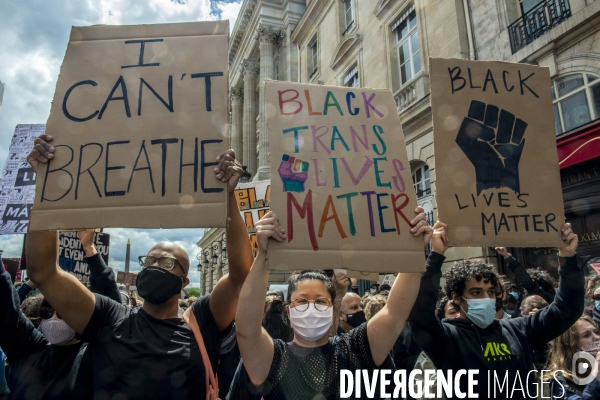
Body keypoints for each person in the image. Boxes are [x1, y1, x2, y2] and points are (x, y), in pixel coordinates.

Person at [26, 136, 253, 399]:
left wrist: (228, 197)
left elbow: (240, 276)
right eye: (150, 260)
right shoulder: (109, 318)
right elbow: (43, 272)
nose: (155, 266)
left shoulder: (202, 322)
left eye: (167, 263)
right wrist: (45, 187)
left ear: (184, 282)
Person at [234, 208, 431, 399]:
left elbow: (395, 312)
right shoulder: (274, 359)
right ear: (288, 310)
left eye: (320, 301)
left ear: (333, 308)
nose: (311, 307)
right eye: (302, 301)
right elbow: (246, 329)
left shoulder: (355, 348)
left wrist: (414, 252)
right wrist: (262, 257)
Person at [408, 221, 583, 398]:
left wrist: (567, 257)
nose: (486, 298)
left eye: (491, 291)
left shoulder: (519, 329)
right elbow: (419, 315)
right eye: (476, 292)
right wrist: (436, 255)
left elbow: (567, 309)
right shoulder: (447, 339)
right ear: (456, 297)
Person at [0, 229, 121, 399]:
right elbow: (4, 302)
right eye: (47, 311)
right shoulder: (28, 350)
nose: (55, 318)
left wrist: (89, 248)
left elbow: (111, 310)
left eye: (64, 312)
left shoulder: (96, 358)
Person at [545, 315, 600, 399]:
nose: (597, 337)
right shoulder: (562, 383)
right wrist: (596, 378)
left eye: (596, 332)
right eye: (586, 335)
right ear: (571, 347)